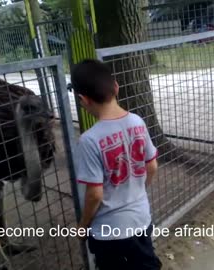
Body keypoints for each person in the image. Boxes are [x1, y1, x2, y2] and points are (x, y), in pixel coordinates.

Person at [70, 59, 162, 270]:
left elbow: (95, 194)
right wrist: (136, 191)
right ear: (116, 87)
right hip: (140, 220)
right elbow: (152, 166)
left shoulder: (89, 140)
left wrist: (83, 226)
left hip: (108, 232)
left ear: (83, 100)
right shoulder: (137, 122)